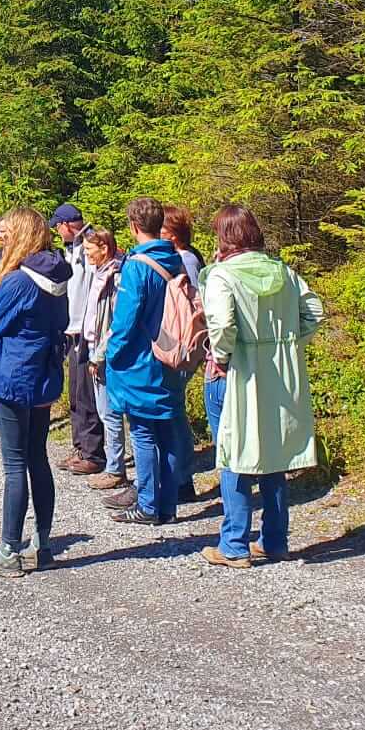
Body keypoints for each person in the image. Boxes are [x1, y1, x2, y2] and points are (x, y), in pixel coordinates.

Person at [199, 205, 323, 568]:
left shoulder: (222, 275)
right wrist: (287, 344)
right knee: (274, 453)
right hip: (281, 374)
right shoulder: (283, 271)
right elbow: (314, 312)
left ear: (224, 237)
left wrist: (221, 358)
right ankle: (274, 541)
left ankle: (234, 545)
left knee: (233, 453)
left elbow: (222, 325)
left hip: (239, 371)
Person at [0, 207, 72, 577]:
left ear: (21, 235)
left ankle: (8, 550)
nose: (1, 239)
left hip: (14, 376)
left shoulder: (18, 281)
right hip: (43, 376)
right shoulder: (58, 276)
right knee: (37, 459)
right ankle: (42, 545)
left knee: (14, 466)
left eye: (6, 233)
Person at [102, 197, 188, 526]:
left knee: (142, 433)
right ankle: (167, 505)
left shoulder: (137, 265)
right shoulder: (175, 260)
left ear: (134, 226)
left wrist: (110, 354)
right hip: (170, 357)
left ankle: (148, 504)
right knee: (167, 433)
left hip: (139, 361)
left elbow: (125, 320)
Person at [49, 204, 104, 474]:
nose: (57, 232)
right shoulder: (70, 250)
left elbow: (96, 288)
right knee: (74, 393)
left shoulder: (90, 246)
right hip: (71, 331)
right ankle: (80, 447)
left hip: (86, 331)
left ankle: (93, 454)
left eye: (58, 226)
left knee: (86, 395)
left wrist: (90, 329)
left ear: (67, 224)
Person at [79, 227, 134, 496]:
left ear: (104, 248)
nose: (86, 255)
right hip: (94, 347)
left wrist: (100, 354)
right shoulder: (99, 272)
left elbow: (115, 322)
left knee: (110, 413)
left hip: (106, 352)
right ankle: (114, 467)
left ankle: (116, 470)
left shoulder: (115, 276)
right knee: (104, 412)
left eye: (90, 249)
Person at [161, 205, 205, 506]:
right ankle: (178, 477)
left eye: (162, 231)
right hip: (176, 343)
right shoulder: (184, 257)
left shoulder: (186, 260)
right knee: (172, 408)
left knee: (174, 410)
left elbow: (190, 307)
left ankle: (182, 479)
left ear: (173, 235)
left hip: (183, 344)